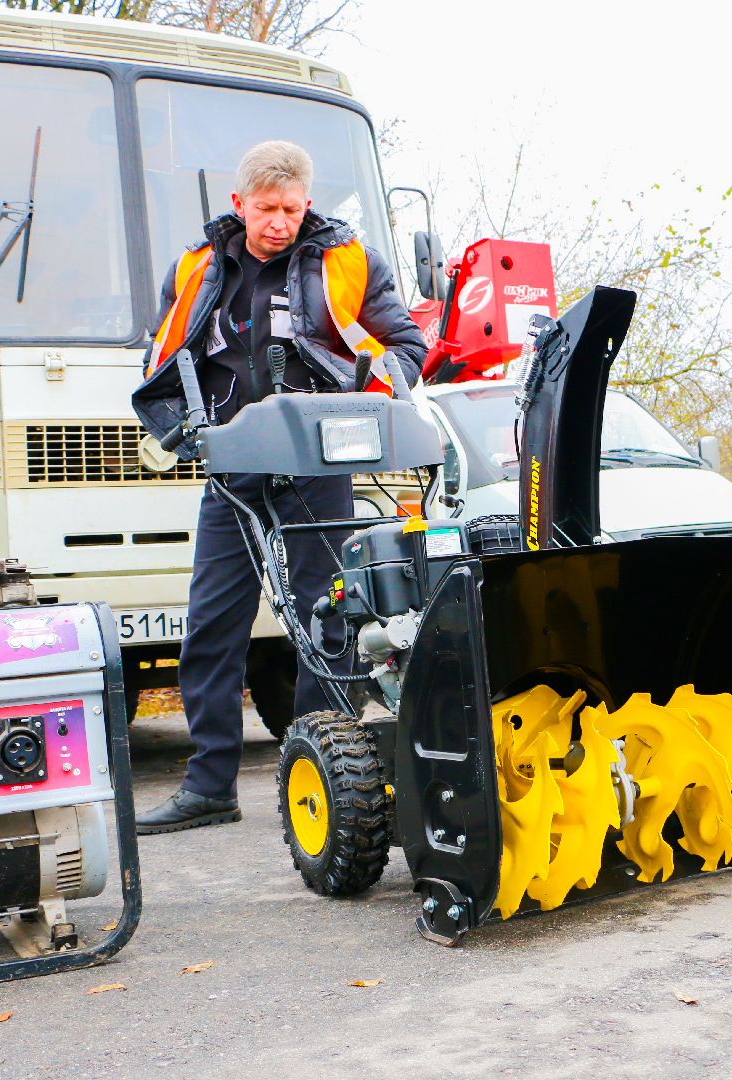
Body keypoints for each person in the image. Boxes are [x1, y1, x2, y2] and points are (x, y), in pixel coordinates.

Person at [129, 141, 427, 833]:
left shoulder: (347, 262)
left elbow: (408, 351)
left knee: (326, 621)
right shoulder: (197, 267)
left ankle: (319, 774)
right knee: (211, 625)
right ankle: (208, 788)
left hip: (317, 466)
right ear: (239, 204)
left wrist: (351, 396)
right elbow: (162, 359)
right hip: (232, 466)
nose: (281, 223)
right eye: (267, 209)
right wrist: (181, 428)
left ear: (306, 202)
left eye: (293, 209)